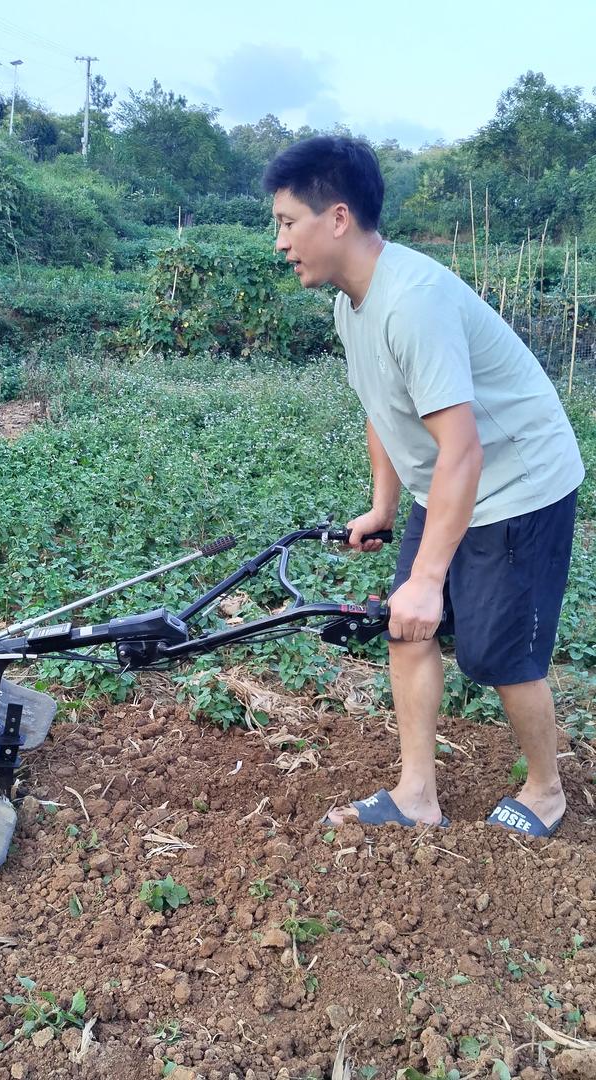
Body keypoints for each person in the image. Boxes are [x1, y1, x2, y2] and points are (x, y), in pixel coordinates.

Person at [263, 136, 584, 836]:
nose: (280, 241)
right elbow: (384, 406)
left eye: (287, 222)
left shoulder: (413, 301)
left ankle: (546, 790)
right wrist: (384, 505)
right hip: (450, 478)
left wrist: (429, 577)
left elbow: (464, 450)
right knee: (407, 630)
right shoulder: (352, 302)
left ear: (338, 218)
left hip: (518, 480)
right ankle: (416, 796)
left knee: (499, 654)